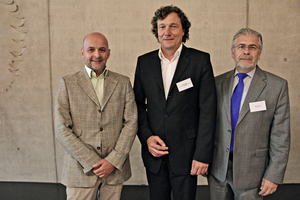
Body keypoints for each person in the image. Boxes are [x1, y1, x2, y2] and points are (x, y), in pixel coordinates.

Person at [133, 5, 217, 200]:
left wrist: (202, 155)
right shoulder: (144, 63)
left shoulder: (200, 61)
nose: (167, 32)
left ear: (183, 30)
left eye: (173, 26)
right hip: (155, 154)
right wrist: (146, 138)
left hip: (187, 155)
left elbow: (208, 110)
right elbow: (136, 105)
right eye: (162, 27)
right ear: (156, 31)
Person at [209, 28, 290, 199]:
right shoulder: (216, 83)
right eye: (241, 46)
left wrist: (273, 175)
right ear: (233, 52)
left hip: (254, 175)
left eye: (252, 47)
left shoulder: (277, 86)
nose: (246, 51)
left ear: (259, 53)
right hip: (218, 171)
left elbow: (281, 136)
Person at [54, 32, 138, 200]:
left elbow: (131, 122)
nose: (97, 55)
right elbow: (61, 129)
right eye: (91, 50)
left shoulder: (123, 82)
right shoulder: (68, 83)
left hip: (114, 170)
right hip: (80, 170)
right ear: (82, 52)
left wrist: (113, 160)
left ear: (108, 53)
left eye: (102, 50)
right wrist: (92, 161)